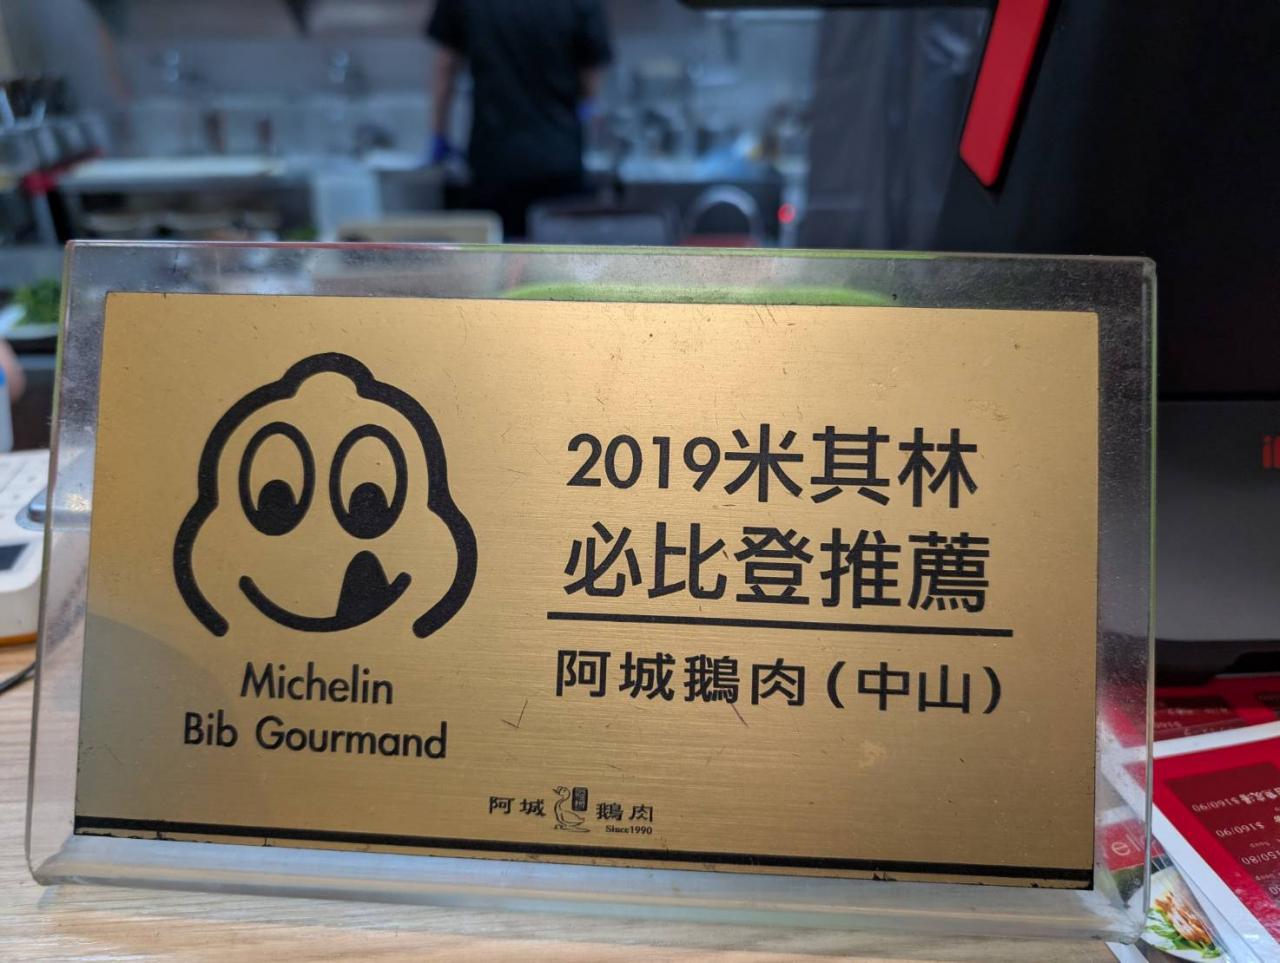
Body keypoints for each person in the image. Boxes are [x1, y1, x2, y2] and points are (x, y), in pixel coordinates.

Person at [426, 0, 612, 238]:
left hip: (494, 160)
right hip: (559, 157)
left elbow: (446, 68)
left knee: (497, 255)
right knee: (555, 254)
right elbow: (590, 78)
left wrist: (438, 134)